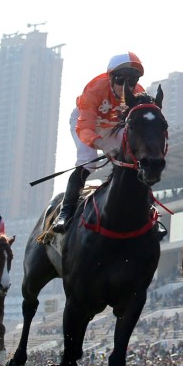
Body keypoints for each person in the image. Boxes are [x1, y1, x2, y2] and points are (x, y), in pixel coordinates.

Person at [52, 53, 146, 233]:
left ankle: (146, 208)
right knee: (90, 161)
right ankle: (66, 212)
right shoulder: (94, 89)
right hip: (86, 123)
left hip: (113, 125)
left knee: (136, 159)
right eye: (120, 80)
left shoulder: (139, 93)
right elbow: (85, 129)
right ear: (110, 77)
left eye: (132, 80)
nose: (126, 86)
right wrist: (104, 146)